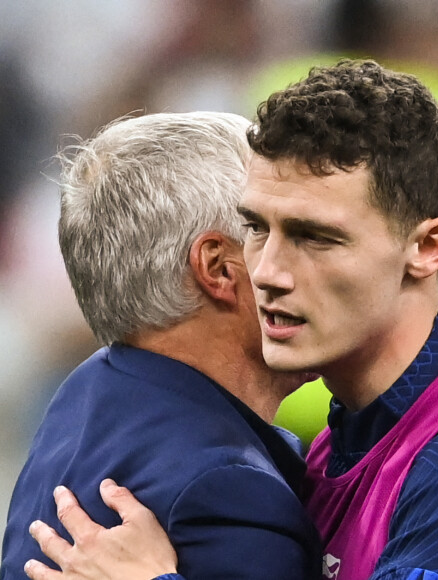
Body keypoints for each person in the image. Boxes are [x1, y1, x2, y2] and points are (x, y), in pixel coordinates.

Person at [24, 59, 438, 579]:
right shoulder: (329, 448)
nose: (267, 272)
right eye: (258, 228)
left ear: (429, 247)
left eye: (315, 237)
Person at [0, 111, 321, 580]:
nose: (314, 262)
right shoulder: (227, 489)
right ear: (219, 268)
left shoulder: (86, 391)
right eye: (277, 231)